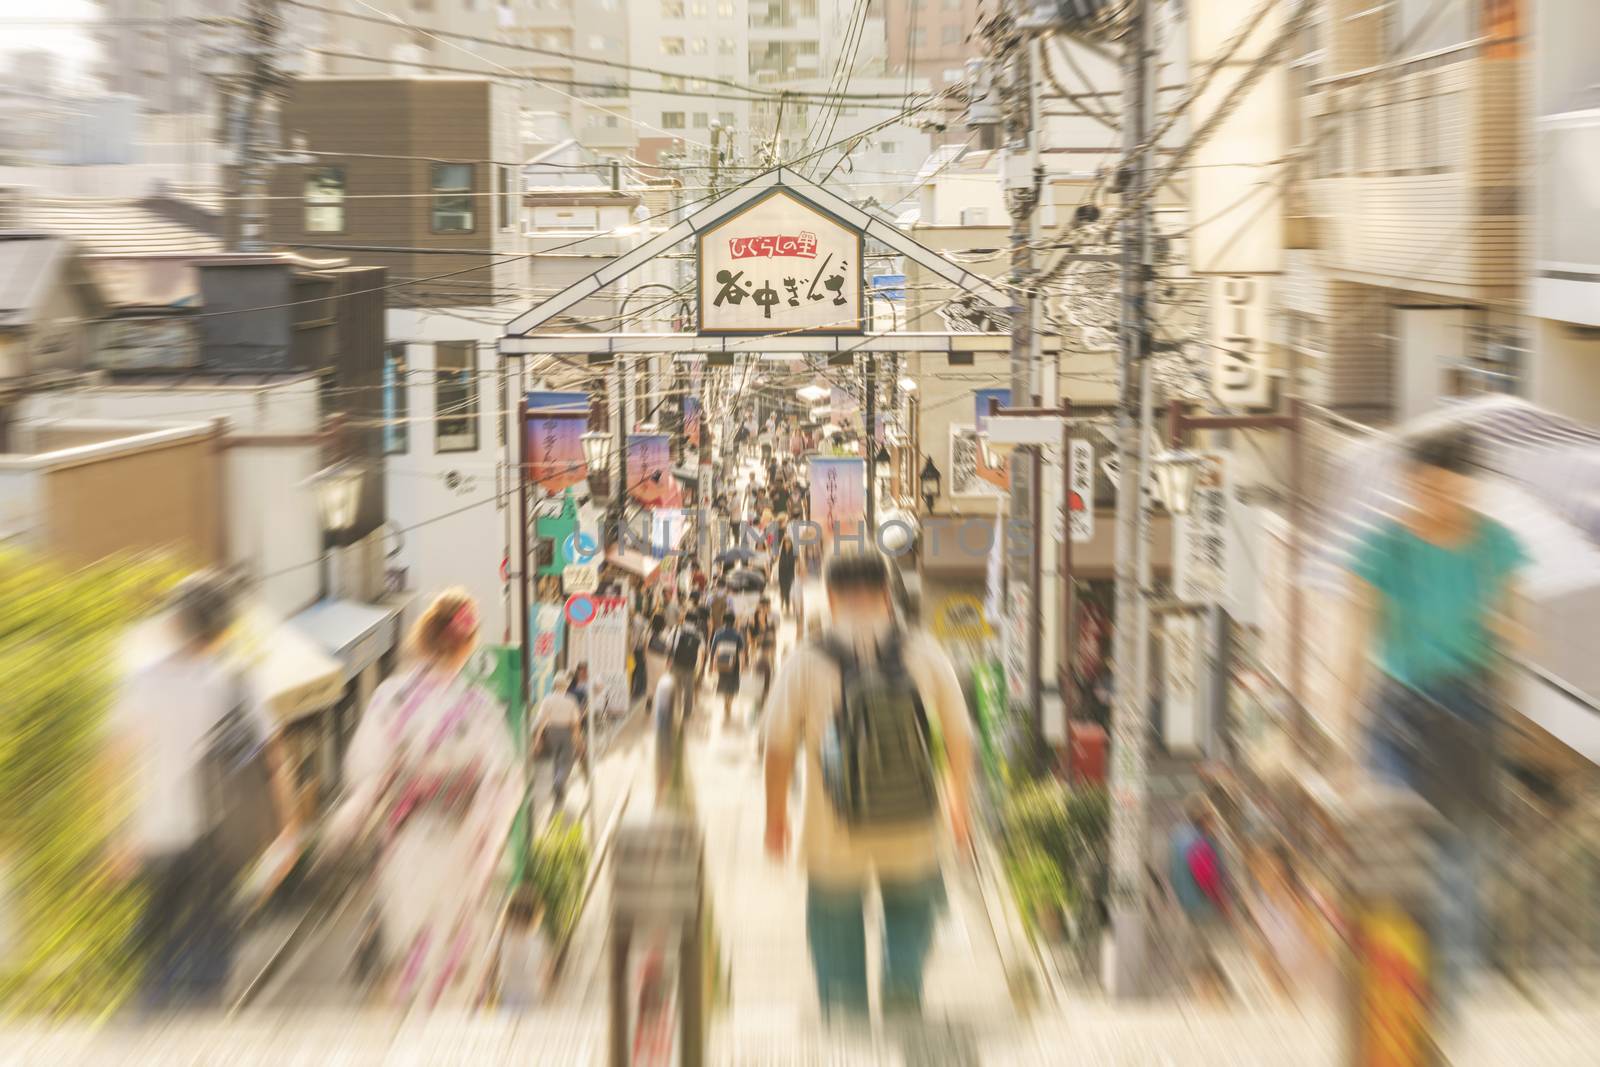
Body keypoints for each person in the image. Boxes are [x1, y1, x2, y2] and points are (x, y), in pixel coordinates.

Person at [1340, 427, 1526, 1003]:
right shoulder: (1383, 548)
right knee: (1396, 838)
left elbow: (1515, 638)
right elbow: (1356, 645)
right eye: (1422, 486)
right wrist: (1348, 744)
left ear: (1469, 486)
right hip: (1398, 710)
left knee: (1463, 855)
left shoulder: (1497, 546)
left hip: (1471, 705)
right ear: (1409, 483)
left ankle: (1448, 990)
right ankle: (1393, 986)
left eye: (1447, 487)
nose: (1435, 499)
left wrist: (1508, 634)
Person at [763, 553, 974, 1018]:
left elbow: (776, 749)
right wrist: (959, 805)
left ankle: (846, 1019)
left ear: (832, 599)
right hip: (914, 822)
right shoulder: (924, 651)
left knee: (833, 926)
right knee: (913, 910)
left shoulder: (807, 659)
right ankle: (901, 977)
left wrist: (775, 820)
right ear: (886, 594)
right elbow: (960, 737)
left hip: (833, 828)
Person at [108, 571, 299, 1009]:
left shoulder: (143, 681)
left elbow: (112, 760)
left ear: (176, 622)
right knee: (209, 967)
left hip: (155, 841)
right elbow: (273, 760)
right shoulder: (238, 682)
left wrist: (115, 835)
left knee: (158, 962)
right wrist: (287, 833)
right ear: (223, 626)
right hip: (221, 843)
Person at [334, 589, 522, 1009]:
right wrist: (488, 847)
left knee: (411, 952)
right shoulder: (478, 707)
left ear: (424, 638)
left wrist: (357, 813)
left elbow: (368, 772)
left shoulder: (391, 698)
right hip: (460, 842)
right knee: (452, 962)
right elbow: (503, 781)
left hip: (406, 845)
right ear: (468, 646)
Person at [1169, 795, 1234, 1000]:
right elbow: (1208, 879)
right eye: (1212, 817)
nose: (1215, 822)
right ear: (1204, 818)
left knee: (1199, 947)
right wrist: (1223, 903)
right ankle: (1210, 992)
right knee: (1214, 948)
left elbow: (1171, 872)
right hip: (1206, 905)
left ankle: (1202, 990)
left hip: (1187, 904)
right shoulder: (1202, 841)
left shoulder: (1178, 838)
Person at [536, 670, 585, 807]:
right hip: (566, 731)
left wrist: (538, 740)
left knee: (557, 759)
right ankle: (558, 783)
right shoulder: (570, 701)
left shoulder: (547, 700)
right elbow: (575, 724)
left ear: (554, 685)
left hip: (551, 732)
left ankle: (559, 791)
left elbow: (541, 721)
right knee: (567, 761)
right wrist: (579, 741)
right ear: (565, 686)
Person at [667, 614, 705, 724]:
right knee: (689, 690)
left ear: (685, 619)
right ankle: (687, 713)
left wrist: (670, 659)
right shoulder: (699, 634)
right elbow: (702, 651)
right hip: (690, 666)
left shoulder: (676, 630)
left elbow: (669, 645)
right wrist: (700, 665)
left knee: (676, 687)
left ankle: (676, 709)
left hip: (676, 663)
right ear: (695, 622)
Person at [709, 614, 747, 726]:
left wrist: (713, 665)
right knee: (732, 685)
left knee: (724, 682)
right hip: (734, 665)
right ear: (734, 621)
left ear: (723, 620)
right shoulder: (738, 635)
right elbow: (741, 653)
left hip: (722, 663)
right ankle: (728, 704)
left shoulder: (718, 633)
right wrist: (742, 667)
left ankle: (726, 702)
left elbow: (713, 650)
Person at [777, 534, 798, 615]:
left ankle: (788, 606)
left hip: (790, 574)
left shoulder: (794, 552)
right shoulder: (781, 551)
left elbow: (798, 562)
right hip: (781, 573)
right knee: (783, 590)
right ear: (784, 543)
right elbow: (777, 562)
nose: (787, 544)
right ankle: (782, 602)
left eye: (789, 542)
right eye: (786, 542)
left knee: (788, 590)